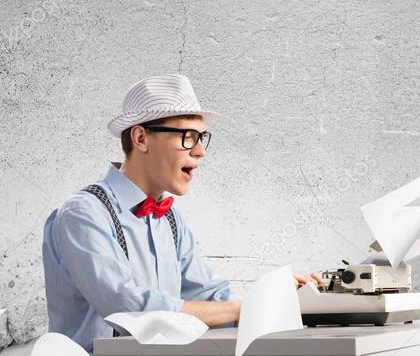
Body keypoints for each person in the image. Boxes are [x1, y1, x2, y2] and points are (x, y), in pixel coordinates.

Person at [42, 74, 324, 353]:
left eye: (202, 137)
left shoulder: (170, 220)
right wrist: (245, 308)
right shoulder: (82, 214)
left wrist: (276, 298)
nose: (201, 152)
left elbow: (210, 295)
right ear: (141, 138)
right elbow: (132, 312)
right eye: (188, 137)